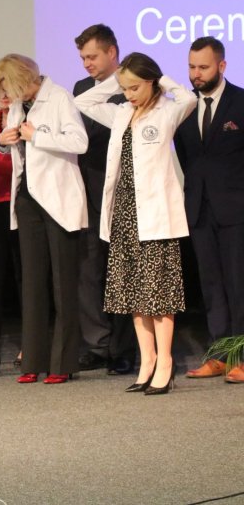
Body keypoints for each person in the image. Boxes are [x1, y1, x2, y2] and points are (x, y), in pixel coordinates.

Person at [75, 53, 197, 395]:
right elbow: (83, 101)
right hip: (124, 214)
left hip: (155, 215)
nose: (128, 94)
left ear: (151, 82)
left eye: (134, 88)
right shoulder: (121, 113)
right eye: (124, 88)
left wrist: (160, 80)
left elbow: (188, 98)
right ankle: (147, 361)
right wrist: (117, 80)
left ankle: (165, 363)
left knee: (159, 294)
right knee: (133, 294)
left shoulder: (168, 110)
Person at [0, 54, 88, 384]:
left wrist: (37, 136)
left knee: (62, 285)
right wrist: (2, 141)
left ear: (24, 78)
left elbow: (80, 142)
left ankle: (62, 364)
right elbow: (14, 144)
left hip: (57, 199)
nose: (6, 93)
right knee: (32, 284)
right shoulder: (19, 106)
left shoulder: (59, 97)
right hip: (27, 198)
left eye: (9, 85)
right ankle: (32, 360)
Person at [175, 37, 244, 384]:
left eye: (203, 67)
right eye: (192, 67)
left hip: (236, 211)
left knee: (239, 286)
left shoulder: (241, 102)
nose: (196, 74)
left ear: (222, 66)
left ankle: (240, 358)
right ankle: (219, 355)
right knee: (212, 286)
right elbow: (185, 158)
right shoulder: (185, 108)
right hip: (199, 210)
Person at [72, 25, 136, 375]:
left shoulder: (132, 85)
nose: (87, 64)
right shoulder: (82, 88)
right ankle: (97, 344)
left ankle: (123, 349)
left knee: (121, 271)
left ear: (112, 52)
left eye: (92, 56)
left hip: (124, 189)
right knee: (88, 271)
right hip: (88, 191)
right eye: (83, 57)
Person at [0, 67, 23, 368]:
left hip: (21, 203)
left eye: (9, 86)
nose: (4, 93)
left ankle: (30, 342)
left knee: (25, 275)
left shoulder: (28, 121)